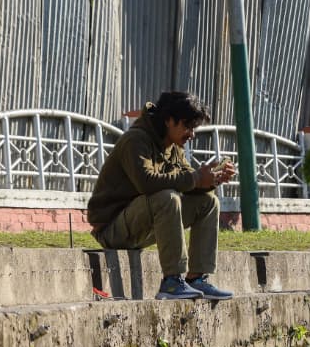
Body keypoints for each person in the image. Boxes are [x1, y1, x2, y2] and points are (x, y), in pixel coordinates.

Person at [87, 91, 237, 300]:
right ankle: (172, 282)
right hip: (113, 230)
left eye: (194, 128)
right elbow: (146, 183)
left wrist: (210, 180)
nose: (191, 134)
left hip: (144, 225)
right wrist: (195, 178)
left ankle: (196, 279)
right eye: (187, 126)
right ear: (168, 120)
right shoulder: (135, 140)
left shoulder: (174, 147)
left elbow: (187, 182)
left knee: (208, 202)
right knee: (167, 198)